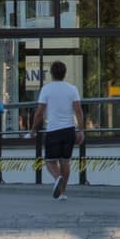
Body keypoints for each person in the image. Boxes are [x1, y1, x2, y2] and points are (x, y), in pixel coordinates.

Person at [33, 61, 83, 201]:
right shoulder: (72, 89)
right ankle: (62, 192)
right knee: (65, 161)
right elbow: (78, 111)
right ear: (64, 73)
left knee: (50, 161)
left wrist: (33, 128)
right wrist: (81, 130)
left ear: (51, 73)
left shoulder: (46, 89)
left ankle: (57, 178)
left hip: (53, 129)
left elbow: (39, 112)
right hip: (69, 129)